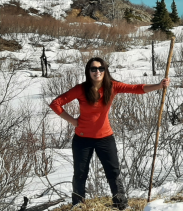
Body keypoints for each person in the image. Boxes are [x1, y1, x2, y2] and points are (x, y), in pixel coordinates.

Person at [50, 57, 170, 209]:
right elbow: (56, 103)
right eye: (93, 69)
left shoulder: (111, 86)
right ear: (88, 71)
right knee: (80, 174)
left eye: (101, 68)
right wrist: (73, 121)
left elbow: (136, 89)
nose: (97, 71)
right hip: (82, 139)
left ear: (105, 70)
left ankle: (120, 205)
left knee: (113, 173)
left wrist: (159, 85)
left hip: (105, 138)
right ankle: (78, 206)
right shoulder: (81, 89)